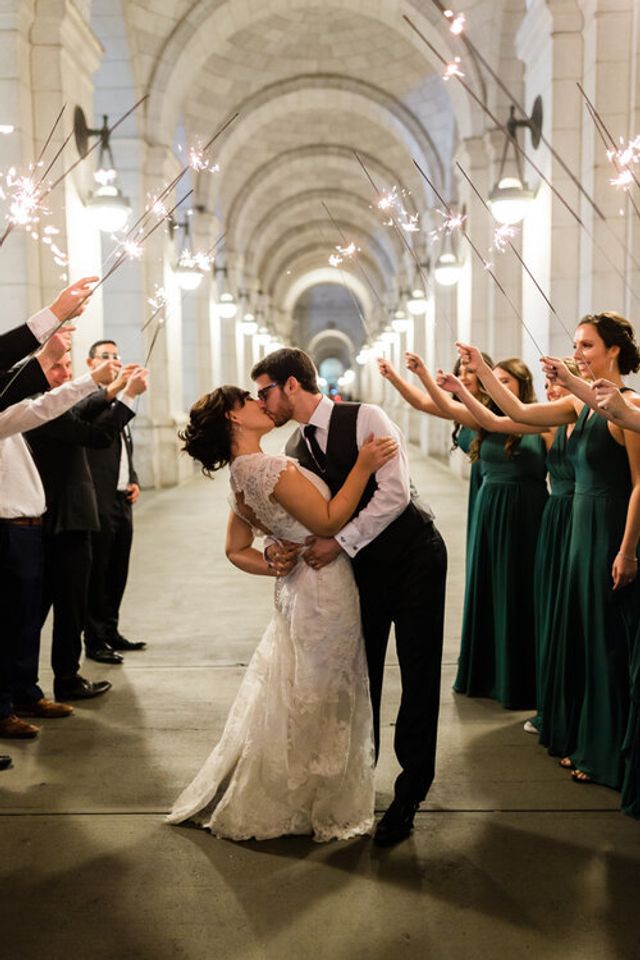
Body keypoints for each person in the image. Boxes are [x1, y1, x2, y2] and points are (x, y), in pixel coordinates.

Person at [168, 385, 398, 841]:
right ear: (234, 418)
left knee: (302, 686)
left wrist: (272, 561)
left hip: (294, 589)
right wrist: (363, 467)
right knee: (324, 687)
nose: (261, 404)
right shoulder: (267, 468)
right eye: (249, 401)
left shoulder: (241, 474)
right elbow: (329, 521)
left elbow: (236, 550)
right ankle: (314, 794)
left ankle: (302, 784)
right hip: (323, 588)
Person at [252, 348, 447, 846]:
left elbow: (394, 493)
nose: (263, 402)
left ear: (293, 385)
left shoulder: (366, 418)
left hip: (414, 556)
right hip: (361, 572)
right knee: (363, 675)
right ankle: (359, 786)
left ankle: (409, 794)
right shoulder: (293, 449)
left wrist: (340, 540)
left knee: (419, 672)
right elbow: (305, 513)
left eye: (266, 391)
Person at [457, 318, 640, 793]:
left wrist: (626, 549)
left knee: (607, 643)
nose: (578, 351)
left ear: (614, 351)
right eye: (576, 344)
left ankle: (608, 757)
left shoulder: (630, 406)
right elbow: (512, 410)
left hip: (607, 527)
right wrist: (478, 369)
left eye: (587, 344)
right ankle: (584, 740)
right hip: (579, 528)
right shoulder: (576, 406)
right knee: (584, 637)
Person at [0, 355, 118, 740]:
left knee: (23, 620)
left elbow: (43, 407)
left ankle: (24, 693)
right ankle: (5, 707)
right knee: (11, 623)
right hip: (9, 527)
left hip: (28, 527)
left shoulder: (12, 415)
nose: (56, 372)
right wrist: (94, 383)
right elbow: (48, 408)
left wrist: (97, 386)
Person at [27, 352, 149, 701]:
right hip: (65, 519)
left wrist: (113, 390)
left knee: (55, 606)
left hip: (64, 519)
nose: (66, 373)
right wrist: (127, 395)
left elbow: (81, 411)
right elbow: (97, 435)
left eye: (67, 366)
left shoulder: (44, 407)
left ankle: (35, 682)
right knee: (67, 607)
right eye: (57, 367)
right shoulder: (39, 408)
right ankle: (63, 679)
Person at [437, 358, 551, 710]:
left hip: (529, 512)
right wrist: (424, 378)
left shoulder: (538, 418)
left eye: (506, 380)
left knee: (523, 592)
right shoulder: (488, 418)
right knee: (493, 588)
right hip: (493, 509)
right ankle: (492, 673)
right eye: (495, 379)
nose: (498, 385)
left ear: (521, 384)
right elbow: (440, 406)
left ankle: (523, 680)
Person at [78, 340, 146, 664]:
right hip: (99, 499)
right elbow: (102, 434)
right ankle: (94, 640)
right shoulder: (87, 402)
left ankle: (111, 630)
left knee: (119, 568)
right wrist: (125, 393)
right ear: (90, 363)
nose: (113, 361)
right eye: (105, 356)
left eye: (116, 355)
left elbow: (122, 448)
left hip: (122, 500)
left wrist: (133, 479)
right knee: (99, 571)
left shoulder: (120, 402)